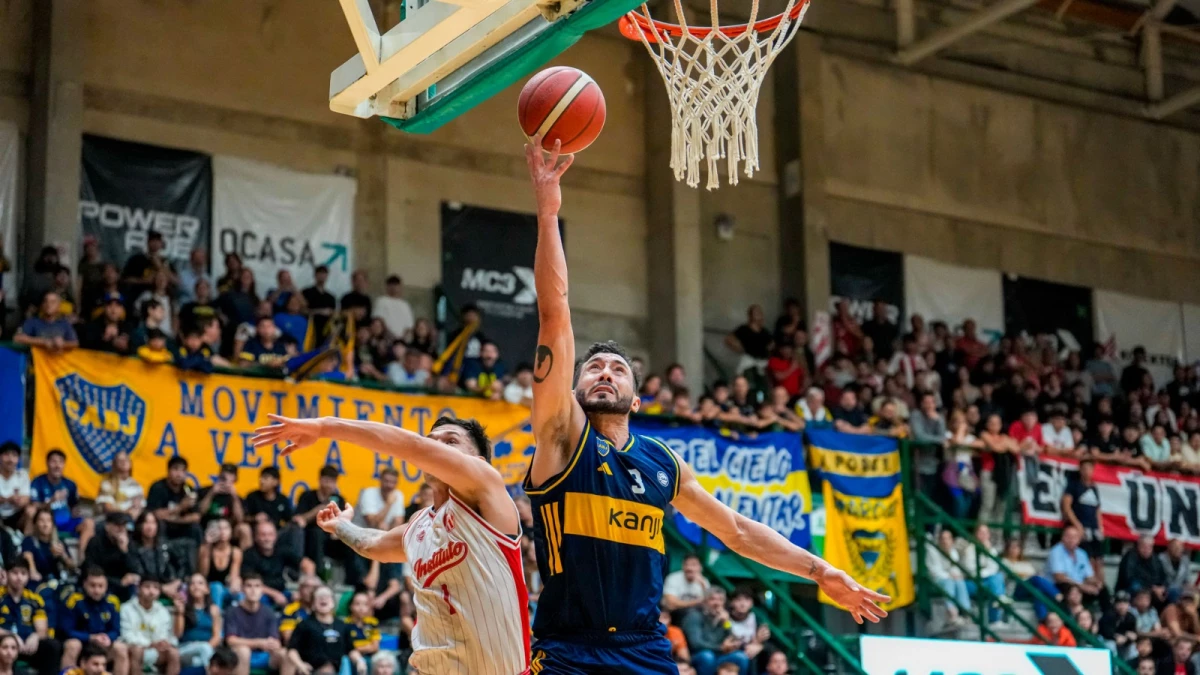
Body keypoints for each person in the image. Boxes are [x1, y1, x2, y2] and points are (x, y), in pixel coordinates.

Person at [519, 135, 886, 673]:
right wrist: (549, 211)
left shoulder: (664, 464)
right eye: (593, 368)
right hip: (569, 650)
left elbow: (736, 531)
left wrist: (820, 571)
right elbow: (556, 314)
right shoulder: (560, 436)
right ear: (573, 392)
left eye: (617, 368)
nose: (603, 372)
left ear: (637, 399)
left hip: (645, 650)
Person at [251, 413, 528, 675]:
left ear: (477, 460)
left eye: (451, 441)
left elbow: (412, 445)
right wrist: (341, 526)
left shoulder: (486, 488)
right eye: (433, 441)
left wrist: (325, 427)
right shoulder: (419, 526)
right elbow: (374, 544)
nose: (437, 447)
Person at [61, 567, 129, 675]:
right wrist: (90, 637)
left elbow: (116, 630)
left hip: (103, 645)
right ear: (85, 584)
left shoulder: (113, 601)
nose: (97, 590)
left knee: (121, 648)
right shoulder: (74, 600)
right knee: (72, 645)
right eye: (92, 585)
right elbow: (67, 630)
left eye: (101, 586)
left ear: (106, 586)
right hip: (83, 645)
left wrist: (108, 638)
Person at [284, 586, 366, 675]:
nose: (323, 598)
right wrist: (301, 665)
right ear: (313, 605)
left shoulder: (342, 625)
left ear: (333, 603)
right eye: (319, 597)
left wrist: (359, 661)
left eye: (327, 596)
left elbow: (351, 650)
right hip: (311, 671)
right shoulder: (304, 625)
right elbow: (292, 650)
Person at [0, 559, 61, 674]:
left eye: (23, 573)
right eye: (15, 573)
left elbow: (42, 630)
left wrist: (35, 636)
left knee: (52, 646)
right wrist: (11, 636)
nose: (19, 577)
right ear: (6, 574)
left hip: (27, 645)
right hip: (4, 643)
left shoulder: (35, 600)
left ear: (28, 576)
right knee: (8, 645)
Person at [293, 467, 350, 586]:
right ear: (320, 479)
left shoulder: (338, 499)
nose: (328, 485)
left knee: (351, 540)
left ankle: (354, 580)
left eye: (332, 482)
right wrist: (317, 510)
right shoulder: (307, 496)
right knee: (317, 534)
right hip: (311, 536)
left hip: (332, 537)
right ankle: (318, 574)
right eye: (326, 481)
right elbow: (300, 519)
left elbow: (344, 520)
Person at [223, 573, 288, 675]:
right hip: (240, 655)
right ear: (242, 589)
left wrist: (273, 643)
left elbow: (276, 641)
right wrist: (259, 642)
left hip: (264, 656)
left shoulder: (269, 612)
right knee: (243, 651)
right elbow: (231, 640)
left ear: (262, 590)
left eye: (257, 586)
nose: (253, 590)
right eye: (249, 586)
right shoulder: (232, 611)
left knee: (284, 653)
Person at [30, 449, 94, 551]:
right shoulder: (38, 482)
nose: (57, 465)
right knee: (31, 511)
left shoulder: (70, 484)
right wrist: (51, 501)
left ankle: (82, 559)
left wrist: (76, 511)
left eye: (60, 462)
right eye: (54, 461)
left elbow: (74, 506)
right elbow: (34, 506)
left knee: (89, 523)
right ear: (47, 463)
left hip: (67, 522)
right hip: (47, 522)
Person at [680, 587, 750, 675]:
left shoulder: (724, 618)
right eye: (712, 599)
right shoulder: (694, 616)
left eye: (720, 600)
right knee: (707, 657)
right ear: (705, 602)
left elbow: (732, 639)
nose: (717, 603)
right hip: (697, 655)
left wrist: (726, 623)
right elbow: (696, 644)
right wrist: (720, 648)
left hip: (718, 655)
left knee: (741, 657)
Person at [119, 576, 180, 675]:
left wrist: (163, 642)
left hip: (156, 649)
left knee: (174, 653)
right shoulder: (126, 608)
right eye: (147, 587)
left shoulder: (162, 610)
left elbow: (166, 633)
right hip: (134, 648)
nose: (151, 591)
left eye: (156, 588)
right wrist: (149, 644)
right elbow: (127, 636)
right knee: (137, 650)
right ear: (138, 589)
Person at [240, 521, 304, 608]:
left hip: (283, 591)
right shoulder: (249, 555)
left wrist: (303, 587)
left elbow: (307, 564)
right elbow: (250, 583)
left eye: (270, 535)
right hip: (261, 593)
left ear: (275, 536)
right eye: (263, 535)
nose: (267, 538)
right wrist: (275, 594)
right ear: (256, 537)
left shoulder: (282, 549)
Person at [1047, 525, 1110, 610]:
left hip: (1079, 586)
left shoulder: (1081, 553)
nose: (1072, 540)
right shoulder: (1056, 552)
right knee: (1070, 588)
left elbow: (1089, 576)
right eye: (1069, 536)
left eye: (1075, 537)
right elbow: (1059, 577)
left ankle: (1108, 618)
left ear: (1079, 539)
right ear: (1063, 538)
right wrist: (1082, 586)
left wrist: (1096, 583)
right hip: (1060, 587)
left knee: (1102, 588)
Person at [83, 514, 138, 602]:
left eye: (123, 526)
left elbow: (135, 569)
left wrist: (125, 551)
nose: (121, 529)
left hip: (124, 585)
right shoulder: (96, 542)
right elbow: (90, 568)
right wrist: (118, 582)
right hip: (102, 583)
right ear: (107, 526)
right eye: (117, 525)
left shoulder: (129, 543)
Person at [1062, 457, 1105, 570]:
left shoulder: (1094, 488)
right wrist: (1077, 525)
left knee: (1099, 560)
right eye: (1084, 468)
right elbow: (1066, 507)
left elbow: (1097, 509)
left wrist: (1100, 526)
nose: (1087, 471)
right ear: (1080, 470)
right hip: (1081, 528)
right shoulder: (1073, 486)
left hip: (1094, 528)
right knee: (1088, 559)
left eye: (1089, 469)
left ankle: (1099, 585)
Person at [146, 457, 200, 543]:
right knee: (161, 524)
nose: (179, 474)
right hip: (164, 526)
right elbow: (155, 514)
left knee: (196, 528)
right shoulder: (157, 487)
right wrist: (180, 507)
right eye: (176, 469)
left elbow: (196, 516)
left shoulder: (188, 489)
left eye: (183, 471)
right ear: (168, 471)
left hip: (181, 525)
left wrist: (175, 520)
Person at [176, 573, 220, 671]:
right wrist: (180, 613)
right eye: (192, 584)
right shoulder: (183, 608)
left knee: (199, 659)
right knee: (204, 650)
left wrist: (207, 648)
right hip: (185, 648)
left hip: (207, 648)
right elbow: (178, 634)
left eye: (200, 583)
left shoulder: (213, 609)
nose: (196, 586)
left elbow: (217, 636)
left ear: (207, 589)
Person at [240, 466, 294, 546]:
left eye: (265, 478)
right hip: (257, 533)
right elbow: (243, 518)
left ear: (275, 482)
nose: (261, 481)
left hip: (276, 533)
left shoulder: (282, 499)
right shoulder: (252, 497)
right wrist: (254, 518)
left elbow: (289, 519)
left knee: (296, 529)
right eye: (261, 478)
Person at [197, 518, 241, 609]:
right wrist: (208, 545)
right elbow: (203, 574)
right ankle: (216, 617)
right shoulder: (205, 549)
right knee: (217, 587)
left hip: (226, 588)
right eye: (219, 528)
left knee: (240, 594)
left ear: (231, 531)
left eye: (225, 528)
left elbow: (233, 577)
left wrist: (235, 584)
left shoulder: (236, 552)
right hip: (208, 588)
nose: (222, 532)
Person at [14, 291, 78, 352]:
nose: (48, 304)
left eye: (53, 302)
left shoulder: (64, 324)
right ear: (42, 305)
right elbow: (17, 338)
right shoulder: (32, 322)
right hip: (37, 362)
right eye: (45, 301)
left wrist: (63, 344)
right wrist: (44, 342)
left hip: (57, 362)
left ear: (59, 307)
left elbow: (75, 343)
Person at [1118, 535, 1169, 605]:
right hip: (1131, 588)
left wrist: (1162, 587)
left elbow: (1163, 577)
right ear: (1138, 546)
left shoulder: (1155, 559)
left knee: (1172, 591)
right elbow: (1128, 579)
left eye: (1149, 547)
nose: (1146, 550)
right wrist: (1152, 588)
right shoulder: (1130, 557)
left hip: (1153, 589)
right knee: (1136, 587)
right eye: (1144, 547)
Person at [94, 452, 144, 521]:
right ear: (114, 465)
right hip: (111, 520)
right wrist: (127, 513)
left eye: (126, 459)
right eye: (120, 460)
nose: (124, 462)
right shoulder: (107, 484)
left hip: (133, 521)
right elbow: (108, 508)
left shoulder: (136, 486)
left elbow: (141, 507)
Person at [1100, 590, 1140, 661]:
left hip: (1123, 642)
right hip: (1106, 640)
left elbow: (1132, 634)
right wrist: (1116, 637)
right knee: (1111, 645)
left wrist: (1130, 637)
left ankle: (1129, 669)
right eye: (1119, 603)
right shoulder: (1109, 614)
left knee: (1133, 649)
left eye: (1125, 603)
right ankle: (1114, 670)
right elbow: (1105, 632)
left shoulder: (1131, 617)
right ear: (1115, 604)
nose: (1122, 606)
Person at [0, 444, 30, 533]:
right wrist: (9, 499)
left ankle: (27, 542)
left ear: (18, 459)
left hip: (16, 515)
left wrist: (19, 501)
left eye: (14, 455)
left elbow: (25, 499)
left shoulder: (22, 475)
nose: (10, 459)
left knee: (30, 511)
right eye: (6, 455)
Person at [343, 591, 380, 657]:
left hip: (370, 656)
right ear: (351, 606)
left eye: (365, 604)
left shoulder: (373, 622)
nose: (361, 608)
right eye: (357, 604)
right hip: (350, 657)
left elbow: (375, 647)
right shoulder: (345, 624)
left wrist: (357, 648)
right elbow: (346, 648)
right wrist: (368, 646)